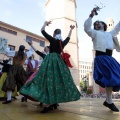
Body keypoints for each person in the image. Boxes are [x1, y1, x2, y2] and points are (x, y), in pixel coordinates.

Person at [20, 21, 81, 113]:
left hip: (51, 61)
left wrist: (45, 23)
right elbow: (68, 38)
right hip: (59, 62)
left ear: (54, 34)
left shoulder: (52, 40)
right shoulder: (62, 43)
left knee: (49, 81)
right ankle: (53, 102)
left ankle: (49, 103)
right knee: (57, 81)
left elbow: (42, 31)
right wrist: (71, 30)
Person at [84, 8, 120, 112]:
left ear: (104, 25)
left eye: (99, 23)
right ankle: (109, 102)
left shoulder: (110, 34)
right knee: (109, 79)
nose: (97, 24)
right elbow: (86, 28)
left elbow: (117, 27)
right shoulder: (94, 33)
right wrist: (91, 15)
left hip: (110, 58)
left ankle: (108, 101)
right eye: (96, 24)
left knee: (113, 78)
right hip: (101, 58)